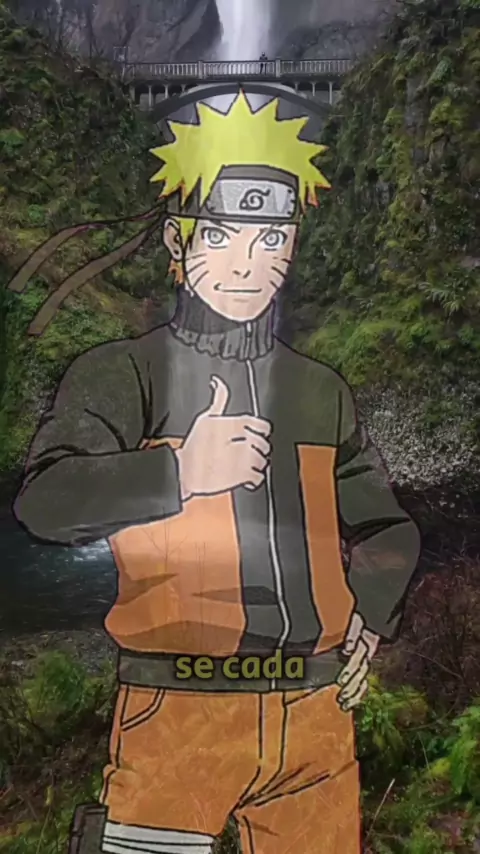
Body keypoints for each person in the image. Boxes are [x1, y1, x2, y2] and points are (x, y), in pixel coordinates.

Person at [11, 91, 420, 854]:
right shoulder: (120, 374)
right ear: (178, 239)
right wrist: (177, 472)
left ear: (293, 245)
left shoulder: (322, 390)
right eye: (222, 235)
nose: (246, 264)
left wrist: (371, 614)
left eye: (272, 238)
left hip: (317, 723)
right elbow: (45, 502)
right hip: (176, 716)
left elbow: (386, 527)